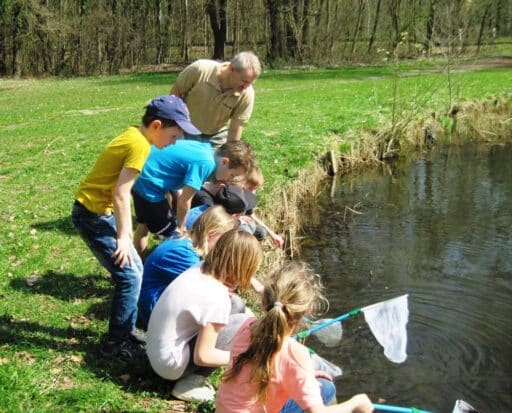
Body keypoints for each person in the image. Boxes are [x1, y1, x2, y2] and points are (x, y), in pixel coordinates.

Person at [71, 95, 200, 359]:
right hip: (91, 214)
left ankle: (126, 329)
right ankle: (115, 343)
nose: (175, 142)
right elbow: (121, 193)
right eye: (174, 136)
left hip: (97, 211)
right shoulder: (140, 146)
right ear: (156, 126)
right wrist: (123, 237)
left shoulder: (135, 135)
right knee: (129, 275)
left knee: (135, 269)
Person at [216, 262, 374, 413]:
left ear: (264, 302)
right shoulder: (295, 354)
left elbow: (266, 368)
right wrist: (356, 404)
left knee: (319, 383)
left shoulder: (247, 326)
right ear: (308, 310)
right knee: (326, 387)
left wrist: (304, 376)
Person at [145, 229, 263, 402]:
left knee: (236, 304)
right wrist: (244, 357)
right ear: (242, 267)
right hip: (170, 365)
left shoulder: (201, 267)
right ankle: (188, 384)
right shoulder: (217, 296)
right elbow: (203, 356)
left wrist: (252, 282)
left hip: (156, 350)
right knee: (246, 324)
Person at [132, 140, 256, 254]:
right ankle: (163, 264)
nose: (230, 179)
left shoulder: (207, 151)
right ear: (224, 161)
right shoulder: (206, 164)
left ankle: (141, 261)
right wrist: (181, 227)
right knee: (174, 234)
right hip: (150, 186)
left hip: (141, 175)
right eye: (232, 174)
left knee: (144, 225)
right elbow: (185, 201)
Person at [137, 206, 235, 330]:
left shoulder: (188, 241)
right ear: (211, 234)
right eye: (222, 240)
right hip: (154, 310)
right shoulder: (185, 255)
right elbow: (203, 292)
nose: (223, 246)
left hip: (162, 298)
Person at [171, 51, 261, 147]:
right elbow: (174, 95)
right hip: (185, 129)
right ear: (232, 69)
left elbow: (236, 128)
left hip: (216, 136)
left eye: (250, 83)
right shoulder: (200, 69)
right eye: (244, 81)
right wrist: (175, 129)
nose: (246, 87)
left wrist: (229, 155)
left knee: (218, 161)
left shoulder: (247, 93)